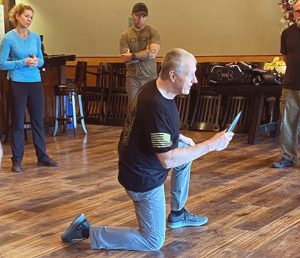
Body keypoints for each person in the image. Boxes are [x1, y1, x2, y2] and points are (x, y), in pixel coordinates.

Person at [61, 48, 234, 251]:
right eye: (190, 74)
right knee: (152, 241)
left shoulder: (156, 88)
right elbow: (167, 160)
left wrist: (178, 137)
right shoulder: (155, 105)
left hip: (142, 159)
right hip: (142, 178)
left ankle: (177, 214)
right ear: (173, 75)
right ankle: (87, 231)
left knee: (186, 149)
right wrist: (212, 144)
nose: (195, 80)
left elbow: (151, 129)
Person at [0, 3, 59, 173]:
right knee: (18, 122)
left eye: (31, 17)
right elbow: (2, 64)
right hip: (17, 82)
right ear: (17, 16)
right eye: (26, 16)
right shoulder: (9, 38)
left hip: (35, 81)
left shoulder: (35, 38)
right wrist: (22, 62)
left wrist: (36, 62)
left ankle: (42, 157)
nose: (29, 20)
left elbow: (41, 60)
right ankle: (16, 160)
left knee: (38, 121)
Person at [272, 0, 300, 169]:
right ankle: (288, 157)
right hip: (290, 85)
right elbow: (286, 57)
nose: (299, 14)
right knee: (288, 124)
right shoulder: (287, 33)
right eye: (297, 11)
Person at [120, 2, 160, 103]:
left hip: (150, 77)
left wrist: (133, 55)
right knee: (133, 107)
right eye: (137, 16)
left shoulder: (153, 32)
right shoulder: (125, 35)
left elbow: (152, 54)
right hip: (132, 77)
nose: (140, 19)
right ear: (132, 15)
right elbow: (125, 58)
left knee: (150, 105)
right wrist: (145, 53)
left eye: (143, 16)